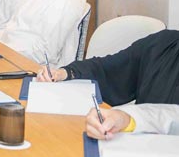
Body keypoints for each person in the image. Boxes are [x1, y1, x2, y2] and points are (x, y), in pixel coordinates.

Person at [35, 29, 179, 137]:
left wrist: (128, 118)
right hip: (136, 147)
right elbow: (106, 68)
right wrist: (65, 72)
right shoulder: (163, 44)